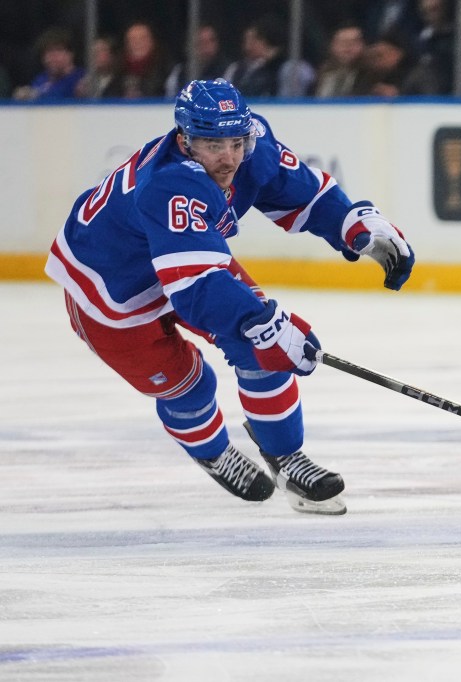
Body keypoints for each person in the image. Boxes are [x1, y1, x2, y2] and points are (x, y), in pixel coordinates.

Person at [44, 79, 414, 514]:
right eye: (214, 145)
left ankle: (286, 457)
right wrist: (265, 326)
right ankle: (211, 450)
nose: (230, 157)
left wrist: (354, 224)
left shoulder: (252, 143)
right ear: (184, 140)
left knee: (261, 346)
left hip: (185, 257)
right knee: (192, 384)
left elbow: (302, 191)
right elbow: (196, 289)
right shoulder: (170, 184)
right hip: (109, 291)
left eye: (237, 142)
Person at [12, 27, 85, 101]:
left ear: (70, 54)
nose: (52, 56)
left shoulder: (80, 78)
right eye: (48, 52)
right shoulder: (40, 79)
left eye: (58, 50)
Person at [164, 24, 231, 99]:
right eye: (201, 42)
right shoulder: (179, 72)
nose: (206, 46)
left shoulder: (229, 71)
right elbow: (170, 99)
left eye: (211, 41)